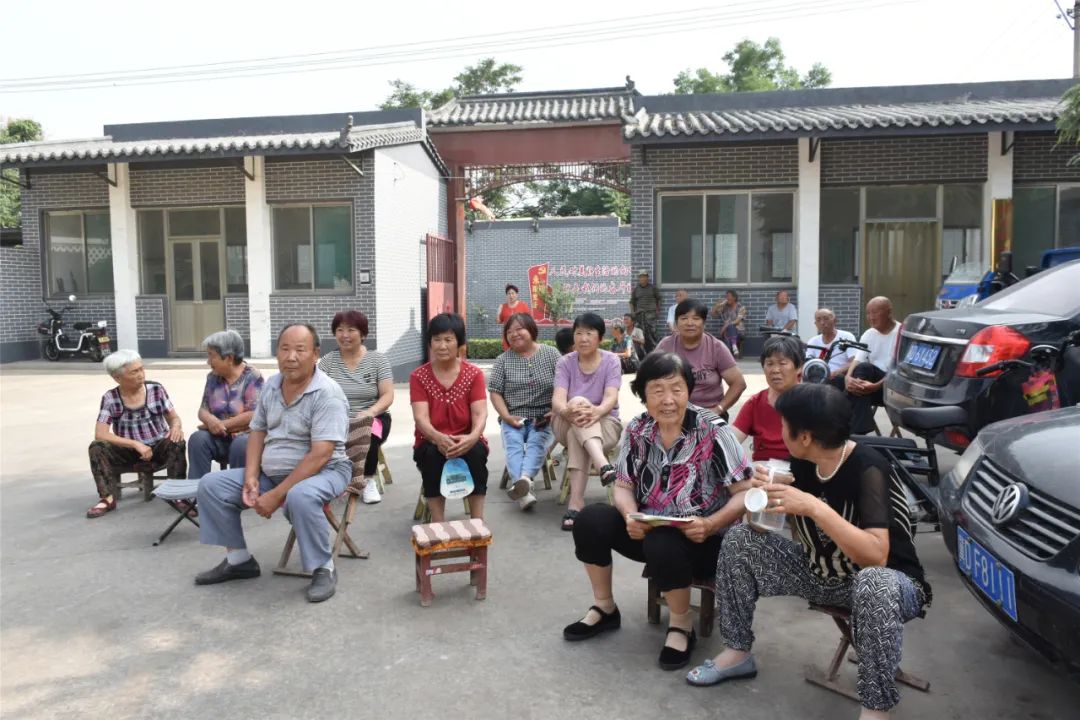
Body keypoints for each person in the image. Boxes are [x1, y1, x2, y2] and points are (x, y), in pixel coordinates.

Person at [688, 384, 931, 720]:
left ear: (804, 436)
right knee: (740, 539)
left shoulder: (869, 467)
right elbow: (762, 529)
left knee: (875, 582)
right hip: (820, 572)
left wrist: (816, 508)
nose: (779, 431)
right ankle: (737, 651)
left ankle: (876, 710)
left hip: (888, 587)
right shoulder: (799, 465)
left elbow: (876, 556)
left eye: (784, 424)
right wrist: (761, 498)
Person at [563, 352, 752, 671]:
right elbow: (622, 485)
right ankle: (605, 608)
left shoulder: (712, 430)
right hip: (649, 528)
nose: (668, 400)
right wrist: (630, 516)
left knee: (662, 542)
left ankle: (681, 625)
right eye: (657, 390)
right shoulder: (638, 429)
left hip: (703, 539)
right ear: (642, 395)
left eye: (676, 389)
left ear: (689, 391)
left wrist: (710, 523)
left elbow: (745, 493)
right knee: (590, 520)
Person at [194, 324, 351, 603]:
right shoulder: (272, 385)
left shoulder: (328, 393)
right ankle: (239, 560)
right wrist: (251, 477)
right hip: (272, 472)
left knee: (300, 495)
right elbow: (257, 430)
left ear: (315, 354)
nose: (291, 356)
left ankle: (323, 568)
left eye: (300, 350)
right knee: (211, 485)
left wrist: (276, 495)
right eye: (285, 348)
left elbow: (320, 454)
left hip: (325, 471)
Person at [87, 350, 187, 518]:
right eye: (135, 372)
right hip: (128, 452)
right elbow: (101, 433)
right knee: (96, 447)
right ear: (117, 378)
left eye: (141, 369)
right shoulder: (110, 398)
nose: (141, 375)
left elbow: (174, 418)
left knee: (177, 441)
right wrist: (135, 444)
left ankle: (178, 495)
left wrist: (176, 427)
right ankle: (107, 498)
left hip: (157, 448)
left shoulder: (156, 390)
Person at [410, 313, 489, 522]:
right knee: (433, 456)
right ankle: (438, 522)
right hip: (430, 440)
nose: (442, 346)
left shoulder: (474, 374)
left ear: (459, 343)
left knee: (476, 454)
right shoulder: (418, 376)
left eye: (448, 339)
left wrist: (472, 437)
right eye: (436, 340)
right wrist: (438, 438)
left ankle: (477, 522)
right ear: (430, 343)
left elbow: (480, 413)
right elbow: (421, 418)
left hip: (467, 437)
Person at [552, 312, 623, 531]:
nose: (583, 338)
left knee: (578, 433)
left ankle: (576, 504)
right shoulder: (565, 362)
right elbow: (557, 399)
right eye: (579, 333)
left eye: (589, 333)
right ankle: (603, 465)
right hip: (565, 421)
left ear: (600, 338)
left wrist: (597, 411)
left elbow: (611, 397)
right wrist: (568, 411)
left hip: (606, 424)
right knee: (578, 403)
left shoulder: (611, 360)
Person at [318, 309, 394, 504]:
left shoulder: (378, 360)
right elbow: (318, 394)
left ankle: (367, 481)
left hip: (374, 416)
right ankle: (333, 479)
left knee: (368, 428)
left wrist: (370, 412)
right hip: (338, 419)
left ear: (362, 334)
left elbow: (388, 395)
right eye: (340, 330)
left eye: (351, 330)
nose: (345, 335)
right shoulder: (327, 362)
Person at [488, 312, 561, 511]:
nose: (514, 334)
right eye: (509, 331)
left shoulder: (551, 354)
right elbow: (495, 392)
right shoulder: (503, 360)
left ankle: (523, 484)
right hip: (514, 416)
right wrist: (506, 417)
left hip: (543, 416)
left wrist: (554, 410)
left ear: (531, 329)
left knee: (538, 443)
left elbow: (564, 385)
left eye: (519, 329)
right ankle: (525, 487)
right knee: (513, 444)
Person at [187, 330, 264, 481]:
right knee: (197, 439)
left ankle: (237, 493)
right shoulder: (213, 377)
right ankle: (195, 492)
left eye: (211, 355)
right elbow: (203, 409)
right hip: (218, 437)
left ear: (229, 358)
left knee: (241, 444)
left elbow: (255, 414)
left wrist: (222, 424)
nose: (208, 361)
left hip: (245, 437)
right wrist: (211, 421)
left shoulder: (252, 376)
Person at [655, 299, 747, 419]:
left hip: (709, 414)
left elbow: (738, 383)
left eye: (696, 318)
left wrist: (718, 409)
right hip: (673, 414)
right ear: (676, 323)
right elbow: (648, 380)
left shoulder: (716, 347)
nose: (689, 323)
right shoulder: (665, 345)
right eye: (684, 318)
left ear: (704, 323)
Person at [834, 297, 901, 434]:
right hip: (867, 389)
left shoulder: (902, 333)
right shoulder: (869, 334)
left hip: (891, 387)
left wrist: (875, 386)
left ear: (889, 312)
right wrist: (847, 378)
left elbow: (901, 371)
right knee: (834, 379)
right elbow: (857, 360)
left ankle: (853, 431)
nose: (870, 317)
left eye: (875, 313)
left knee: (865, 368)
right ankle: (856, 431)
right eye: (868, 313)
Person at [731, 335, 803, 462]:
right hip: (763, 473)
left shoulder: (812, 402)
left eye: (782, 363)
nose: (775, 370)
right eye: (769, 364)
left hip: (801, 470)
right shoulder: (755, 403)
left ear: (799, 367)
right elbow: (731, 439)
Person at [806, 308, 857, 379]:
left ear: (835, 320)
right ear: (815, 324)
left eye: (826, 319)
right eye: (818, 320)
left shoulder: (847, 337)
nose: (822, 323)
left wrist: (835, 373)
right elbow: (808, 363)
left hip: (839, 377)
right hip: (819, 378)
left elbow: (854, 361)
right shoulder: (813, 341)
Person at [629, 269, 662, 352]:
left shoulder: (653, 288)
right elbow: (631, 302)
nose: (642, 279)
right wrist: (633, 313)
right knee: (640, 333)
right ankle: (640, 350)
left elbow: (659, 299)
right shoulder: (636, 289)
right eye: (641, 277)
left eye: (644, 277)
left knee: (653, 332)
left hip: (651, 314)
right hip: (639, 315)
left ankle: (656, 349)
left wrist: (658, 309)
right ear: (639, 279)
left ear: (647, 278)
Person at [710, 290, 748, 358]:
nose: (727, 298)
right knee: (728, 332)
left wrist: (726, 326)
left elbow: (737, 321)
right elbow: (713, 315)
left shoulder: (741, 307)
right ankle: (734, 347)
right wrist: (717, 305)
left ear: (734, 298)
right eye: (726, 296)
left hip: (739, 331)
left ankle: (728, 355)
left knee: (729, 329)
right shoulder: (724, 307)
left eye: (728, 296)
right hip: (725, 331)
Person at [497, 284, 531, 351]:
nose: (511, 295)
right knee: (508, 357)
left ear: (516, 294)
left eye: (513, 293)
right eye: (508, 293)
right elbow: (499, 321)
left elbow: (529, 321)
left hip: (521, 337)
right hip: (508, 337)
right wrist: (498, 313)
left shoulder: (523, 305)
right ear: (506, 295)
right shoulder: (503, 307)